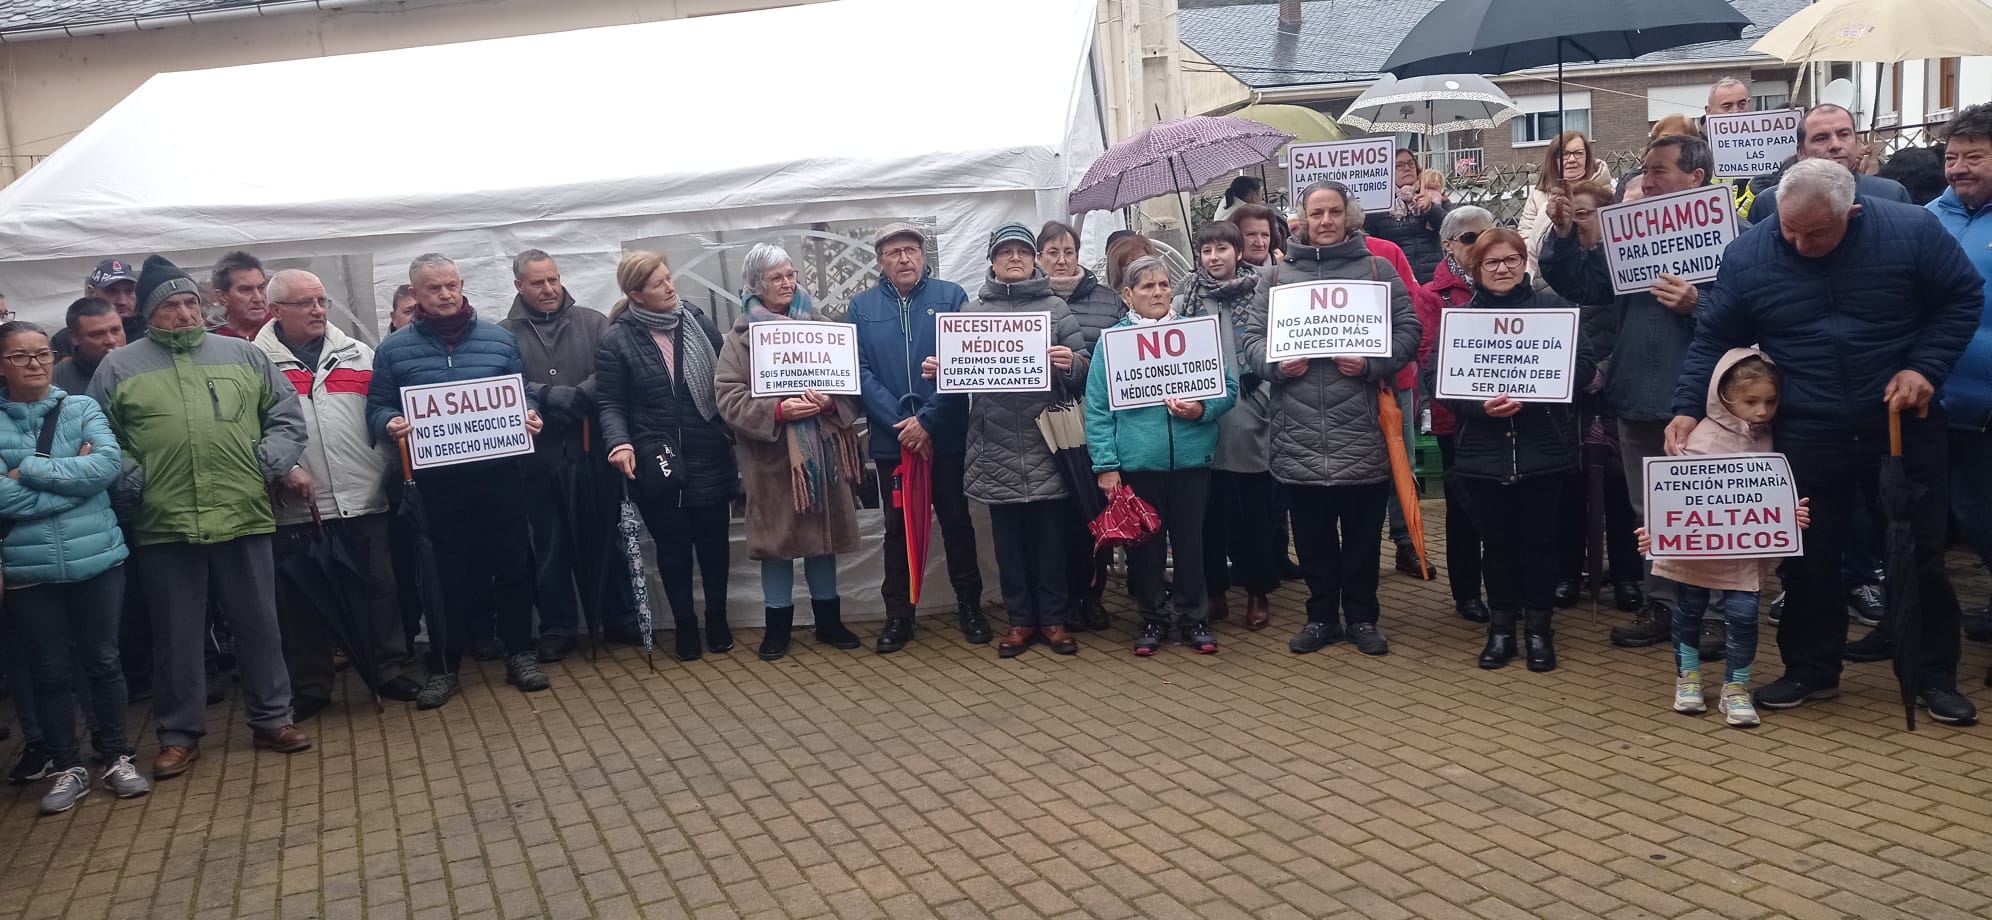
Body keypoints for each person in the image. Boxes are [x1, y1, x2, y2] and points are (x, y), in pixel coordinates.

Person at [1670, 159, 1983, 723]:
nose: (1799, 242)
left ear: (1852, 211)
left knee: (1918, 553)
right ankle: (1811, 670)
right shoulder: (1750, 253)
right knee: (1809, 556)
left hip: (1900, 421)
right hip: (1807, 428)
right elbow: (1715, 336)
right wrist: (1688, 409)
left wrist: (1926, 368)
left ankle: (1931, 674)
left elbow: (1961, 297)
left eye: (1816, 232)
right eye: (1789, 229)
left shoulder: (1911, 231)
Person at [88, 255, 312, 778]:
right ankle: (179, 734)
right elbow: (95, 437)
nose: (185, 312)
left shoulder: (243, 355)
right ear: (149, 313)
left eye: (191, 302)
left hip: (243, 510)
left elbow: (284, 417)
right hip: (165, 522)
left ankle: (272, 717)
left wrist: (267, 463)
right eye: (171, 305)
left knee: (260, 624)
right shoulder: (118, 367)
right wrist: (132, 479)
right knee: (177, 635)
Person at [1540, 134, 1732, 651]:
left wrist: (1699, 304)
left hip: (1704, 404)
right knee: (1652, 513)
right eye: (1644, 170)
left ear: (1696, 177)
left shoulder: (1731, 237)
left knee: (1706, 510)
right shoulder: (1630, 239)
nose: (1645, 181)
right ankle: (1662, 604)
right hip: (1636, 397)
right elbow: (1584, 286)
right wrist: (1561, 237)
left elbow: (1751, 318)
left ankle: (1714, 613)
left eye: (1659, 171)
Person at [1245, 181, 1419, 658]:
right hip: (1297, 432)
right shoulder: (1276, 279)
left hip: (1361, 428)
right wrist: (1275, 366)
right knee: (1314, 538)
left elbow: (1409, 328)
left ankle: (1362, 618)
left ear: (1348, 216)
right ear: (1301, 219)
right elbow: (1252, 341)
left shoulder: (1376, 269)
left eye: (1334, 212)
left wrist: (1372, 364)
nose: (1325, 221)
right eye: (1316, 213)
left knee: (1363, 536)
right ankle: (1321, 616)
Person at [369, 253, 549, 709]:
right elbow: (377, 406)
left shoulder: (498, 339)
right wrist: (390, 422)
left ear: (462, 284)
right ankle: (445, 665)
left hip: (499, 476)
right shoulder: (392, 350)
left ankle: (520, 652)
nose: (446, 294)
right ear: (416, 294)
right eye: (434, 288)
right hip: (436, 483)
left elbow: (522, 390)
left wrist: (530, 414)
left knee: (512, 566)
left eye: (451, 284)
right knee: (442, 575)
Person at [254, 270, 421, 714]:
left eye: (321, 300)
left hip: (361, 495)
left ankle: (388, 668)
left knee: (378, 588)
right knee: (302, 601)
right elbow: (247, 430)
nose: (317, 310)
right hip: (297, 505)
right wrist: (284, 466)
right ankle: (311, 685)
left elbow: (380, 410)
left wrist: (385, 460)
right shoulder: (253, 361)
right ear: (276, 311)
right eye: (304, 302)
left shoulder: (357, 352)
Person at [0, 321, 150, 814]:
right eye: (21, 357)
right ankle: (67, 765)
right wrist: (71, 480)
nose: (35, 365)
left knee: (104, 661)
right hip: (29, 570)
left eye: (42, 354)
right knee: (48, 671)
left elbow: (106, 470)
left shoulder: (81, 406)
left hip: (98, 560)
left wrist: (31, 471)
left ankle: (116, 755)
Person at [1427, 229, 1593, 672]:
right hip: (1481, 450)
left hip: (1543, 447)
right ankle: (1500, 631)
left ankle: (1540, 633)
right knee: (1496, 546)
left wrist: (1536, 392)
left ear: (1525, 262)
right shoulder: (1460, 318)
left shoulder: (1554, 310)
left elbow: (1585, 365)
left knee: (1540, 544)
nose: (1502, 269)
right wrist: (1478, 407)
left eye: (1511, 260)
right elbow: (1435, 378)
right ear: (1476, 269)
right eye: (1492, 262)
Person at [931, 223, 1089, 658]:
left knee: (1050, 540)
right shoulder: (970, 314)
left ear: (1034, 258)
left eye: (1022, 250)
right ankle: (1020, 621)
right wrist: (940, 370)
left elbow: (1086, 369)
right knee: (1008, 543)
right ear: (993, 260)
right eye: (1006, 252)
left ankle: (1053, 619)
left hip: (1047, 444)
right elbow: (957, 374)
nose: (1014, 257)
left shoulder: (1055, 309)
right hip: (994, 444)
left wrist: (1070, 362)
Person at [1639, 350, 1808, 727]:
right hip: (1697, 553)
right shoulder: (1698, 439)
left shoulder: (1772, 439)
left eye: (1770, 401)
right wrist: (1655, 532)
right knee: (1689, 611)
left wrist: (1789, 516)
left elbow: (1774, 491)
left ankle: (1737, 688)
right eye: (1751, 401)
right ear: (1723, 395)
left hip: (1744, 552)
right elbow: (1674, 495)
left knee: (1745, 615)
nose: (1762, 411)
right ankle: (1689, 678)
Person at [713, 243, 865, 661]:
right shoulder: (740, 339)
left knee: (823, 537)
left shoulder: (822, 328)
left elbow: (851, 385)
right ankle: (777, 627)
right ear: (756, 284)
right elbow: (728, 399)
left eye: (790, 274)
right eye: (776, 277)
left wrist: (832, 404)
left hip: (822, 450)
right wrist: (778, 410)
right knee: (776, 545)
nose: (787, 282)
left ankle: (828, 622)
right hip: (773, 458)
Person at [850, 224, 990, 651]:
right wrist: (903, 425)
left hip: (944, 436)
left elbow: (963, 362)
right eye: (894, 252)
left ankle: (970, 606)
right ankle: (899, 616)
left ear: (923, 255)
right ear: (880, 261)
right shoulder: (861, 306)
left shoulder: (951, 298)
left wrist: (927, 422)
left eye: (911, 249)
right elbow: (860, 372)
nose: (904, 258)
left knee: (957, 523)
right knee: (897, 530)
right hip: (894, 444)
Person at [1087, 255, 1234, 655]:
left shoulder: (1197, 334)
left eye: (1164, 284)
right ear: (1128, 295)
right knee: (1145, 550)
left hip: (1191, 461)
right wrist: (1107, 467)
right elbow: (1098, 409)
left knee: (1191, 544)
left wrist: (1201, 409)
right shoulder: (1111, 342)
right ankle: (1153, 618)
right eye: (1147, 286)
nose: (1158, 292)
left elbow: (1228, 388)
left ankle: (1193, 618)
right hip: (1138, 463)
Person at [596, 251, 738, 662]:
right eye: (659, 284)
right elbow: (610, 403)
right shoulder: (616, 339)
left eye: (669, 278)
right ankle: (685, 624)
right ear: (636, 294)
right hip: (657, 459)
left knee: (714, 545)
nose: (670, 287)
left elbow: (726, 377)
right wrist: (619, 443)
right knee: (673, 549)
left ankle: (717, 618)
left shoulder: (694, 319)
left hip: (708, 450)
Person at [498, 249, 634, 661]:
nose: (549, 289)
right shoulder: (503, 334)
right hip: (538, 460)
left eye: (553, 279)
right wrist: (546, 395)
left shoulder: (594, 322)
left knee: (606, 540)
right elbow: (506, 382)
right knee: (550, 545)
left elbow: (612, 370)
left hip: (593, 454)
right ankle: (559, 627)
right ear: (519, 286)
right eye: (538, 282)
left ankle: (620, 617)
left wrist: (581, 395)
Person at [1175, 222, 1274, 630]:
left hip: (1251, 416)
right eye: (1206, 250)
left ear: (1238, 252)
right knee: (1207, 517)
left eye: (1222, 249)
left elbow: (1276, 343)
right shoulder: (1185, 301)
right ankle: (1215, 592)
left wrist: (1263, 386)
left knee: (1255, 515)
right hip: (1203, 422)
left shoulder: (1260, 293)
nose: (1214, 257)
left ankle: (1257, 591)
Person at [1551, 181, 1644, 613]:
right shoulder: (1560, 271)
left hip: (1614, 393)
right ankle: (1569, 573)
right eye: (1575, 215)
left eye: (1586, 214)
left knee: (1618, 489)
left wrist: (1604, 371)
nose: (1579, 222)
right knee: (1570, 490)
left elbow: (1633, 334)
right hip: (1570, 401)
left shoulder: (1628, 272)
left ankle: (1627, 576)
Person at [1926, 105, 1992, 653]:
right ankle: (1911, 625)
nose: (1959, 167)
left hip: (1987, 412)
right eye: (1952, 157)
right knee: (1922, 529)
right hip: (1930, 406)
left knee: (1984, 522)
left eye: (1975, 156)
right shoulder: (1927, 218)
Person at [1038, 221, 1122, 630]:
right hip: (1044, 427)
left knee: (1093, 513)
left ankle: (1093, 594)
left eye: (1067, 251)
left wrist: (1077, 366)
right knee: (1057, 519)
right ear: (1039, 258)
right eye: (1052, 252)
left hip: (1092, 423)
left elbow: (1122, 359)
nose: (1061, 259)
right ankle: (1064, 599)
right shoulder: (1022, 305)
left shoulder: (1107, 301)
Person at [1423, 206, 1494, 624]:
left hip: (1509, 415)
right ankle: (1466, 592)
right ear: (1448, 245)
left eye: (1488, 235)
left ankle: (1506, 586)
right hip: (1460, 420)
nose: (1481, 244)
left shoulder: (1506, 284)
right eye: (1470, 238)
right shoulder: (1433, 297)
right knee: (1463, 509)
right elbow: (1432, 358)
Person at [1749, 104, 1911, 218]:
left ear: (1856, 141)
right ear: (1801, 152)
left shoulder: (1892, 194)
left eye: (1844, 134)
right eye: (1821, 138)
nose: (1835, 145)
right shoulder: (1769, 202)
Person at [1519, 130, 1612, 279]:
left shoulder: (1605, 191)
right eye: (1564, 154)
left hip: (1592, 273)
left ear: (1587, 156)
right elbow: (1525, 235)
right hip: (1546, 275)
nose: (1572, 159)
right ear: (1553, 159)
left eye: (1578, 153)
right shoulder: (1538, 195)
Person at [1364, 151, 1450, 283]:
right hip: (1397, 277)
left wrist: (1431, 208)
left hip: (1433, 277)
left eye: (1411, 164)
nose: (1407, 168)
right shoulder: (1380, 203)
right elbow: (1369, 240)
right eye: (1400, 165)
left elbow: (1451, 229)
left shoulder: (1435, 195)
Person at [52, 260, 145, 359]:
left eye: (129, 291)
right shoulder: (65, 339)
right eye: (112, 291)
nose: (122, 301)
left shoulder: (150, 332)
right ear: (92, 292)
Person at [51, 298, 127, 395]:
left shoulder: (145, 364)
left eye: (116, 330)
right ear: (75, 337)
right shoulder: (58, 379)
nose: (111, 340)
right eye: (98, 334)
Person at [208, 251, 270, 340]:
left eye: (261, 288)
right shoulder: (209, 340)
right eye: (246, 290)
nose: (258, 298)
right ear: (223, 297)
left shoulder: (286, 330)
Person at [1230, 204, 1288, 280]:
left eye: (1265, 235)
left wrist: (1280, 270)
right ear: (1235, 237)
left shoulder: (1286, 270)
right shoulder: (1222, 276)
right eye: (1251, 234)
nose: (1260, 243)